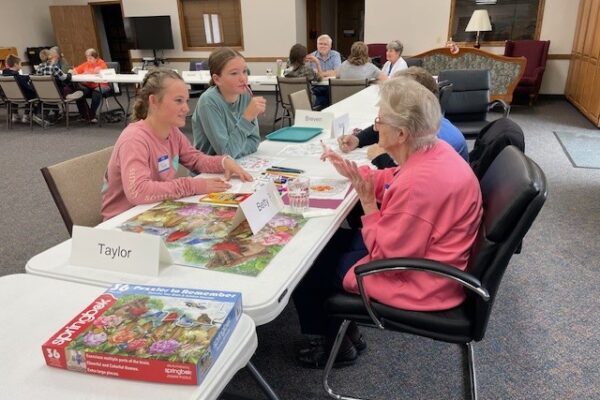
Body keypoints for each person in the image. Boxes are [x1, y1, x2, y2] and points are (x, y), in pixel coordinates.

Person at [292, 77, 483, 368]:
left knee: (307, 266)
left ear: (402, 133)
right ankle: (347, 332)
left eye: (380, 119)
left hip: (421, 281)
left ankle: (331, 345)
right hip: (433, 259)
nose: (376, 126)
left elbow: (385, 255)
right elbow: (394, 180)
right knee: (325, 247)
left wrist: (368, 204)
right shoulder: (434, 151)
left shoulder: (420, 185)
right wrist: (357, 175)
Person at [101, 68, 253, 220]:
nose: (186, 108)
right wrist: (194, 186)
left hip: (156, 211)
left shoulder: (172, 131)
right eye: (178, 100)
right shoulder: (134, 139)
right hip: (123, 222)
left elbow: (195, 160)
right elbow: (139, 192)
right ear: (153, 101)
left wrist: (224, 162)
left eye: (186, 101)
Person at [338, 67, 469, 168]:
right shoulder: (426, 122)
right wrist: (358, 139)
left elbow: (408, 175)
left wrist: (381, 157)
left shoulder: (430, 138)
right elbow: (387, 124)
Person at [192, 48, 265, 159]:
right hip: (207, 172)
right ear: (217, 79)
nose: (243, 78)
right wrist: (247, 118)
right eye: (234, 73)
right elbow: (226, 153)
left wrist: (234, 151)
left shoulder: (245, 95)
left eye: (245, 71)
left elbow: (254, 141)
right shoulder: (208, 102)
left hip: (237, 163)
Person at [36, 47, 91, 122]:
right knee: (81, 91)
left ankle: (42, 116)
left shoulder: (39, 67)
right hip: (59, 93)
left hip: (45, 94)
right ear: (50, 57)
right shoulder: (53, 67)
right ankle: (87, 116)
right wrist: (70, 73)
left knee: (76, 90)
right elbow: (65, 78)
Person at [71, 48, 111, 123]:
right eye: (87, 58)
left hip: (101, 85)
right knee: (79, 93)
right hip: (90, 86)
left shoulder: (101, 63)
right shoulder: (87, 63)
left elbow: (98, 72)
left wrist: (87, 73)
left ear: (96, 58)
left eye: (90, 58)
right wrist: (73, 71)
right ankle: (85, 114)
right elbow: (76, 70)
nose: (88, 60)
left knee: (97, 92)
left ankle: (91, 114)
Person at [284, 43, 328, 109]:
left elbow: (293, 64)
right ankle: (315, 117)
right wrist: (317, 62)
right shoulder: (307, 70)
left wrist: (303, 61)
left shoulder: (287, 70)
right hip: (306, 101)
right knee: (326, 96)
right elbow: (320, 78)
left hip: (290, 100)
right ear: (304, 57)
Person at [1, 54, 38, 124]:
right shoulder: (18, 77)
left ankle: (15, 115)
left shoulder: (4, 76)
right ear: (16, 64)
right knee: (32, 94)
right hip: (24, 97)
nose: (21, 65)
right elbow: (27, 88)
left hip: (10, 97)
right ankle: (26, 116)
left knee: (14, 92)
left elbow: (21, 77)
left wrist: (28, 77)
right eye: (20, 63)